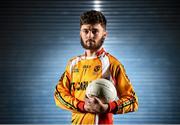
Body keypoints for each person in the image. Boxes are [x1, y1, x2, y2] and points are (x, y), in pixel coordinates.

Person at [54, 10, 138, 125]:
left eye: (95, 31)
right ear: (80, 33)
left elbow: (132, 101)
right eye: (86, 31)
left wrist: (107, 108)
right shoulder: (72, 64)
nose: (90, 36)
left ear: (104, 34)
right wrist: (82, 106)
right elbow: (59, 94)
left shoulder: (112, 63)